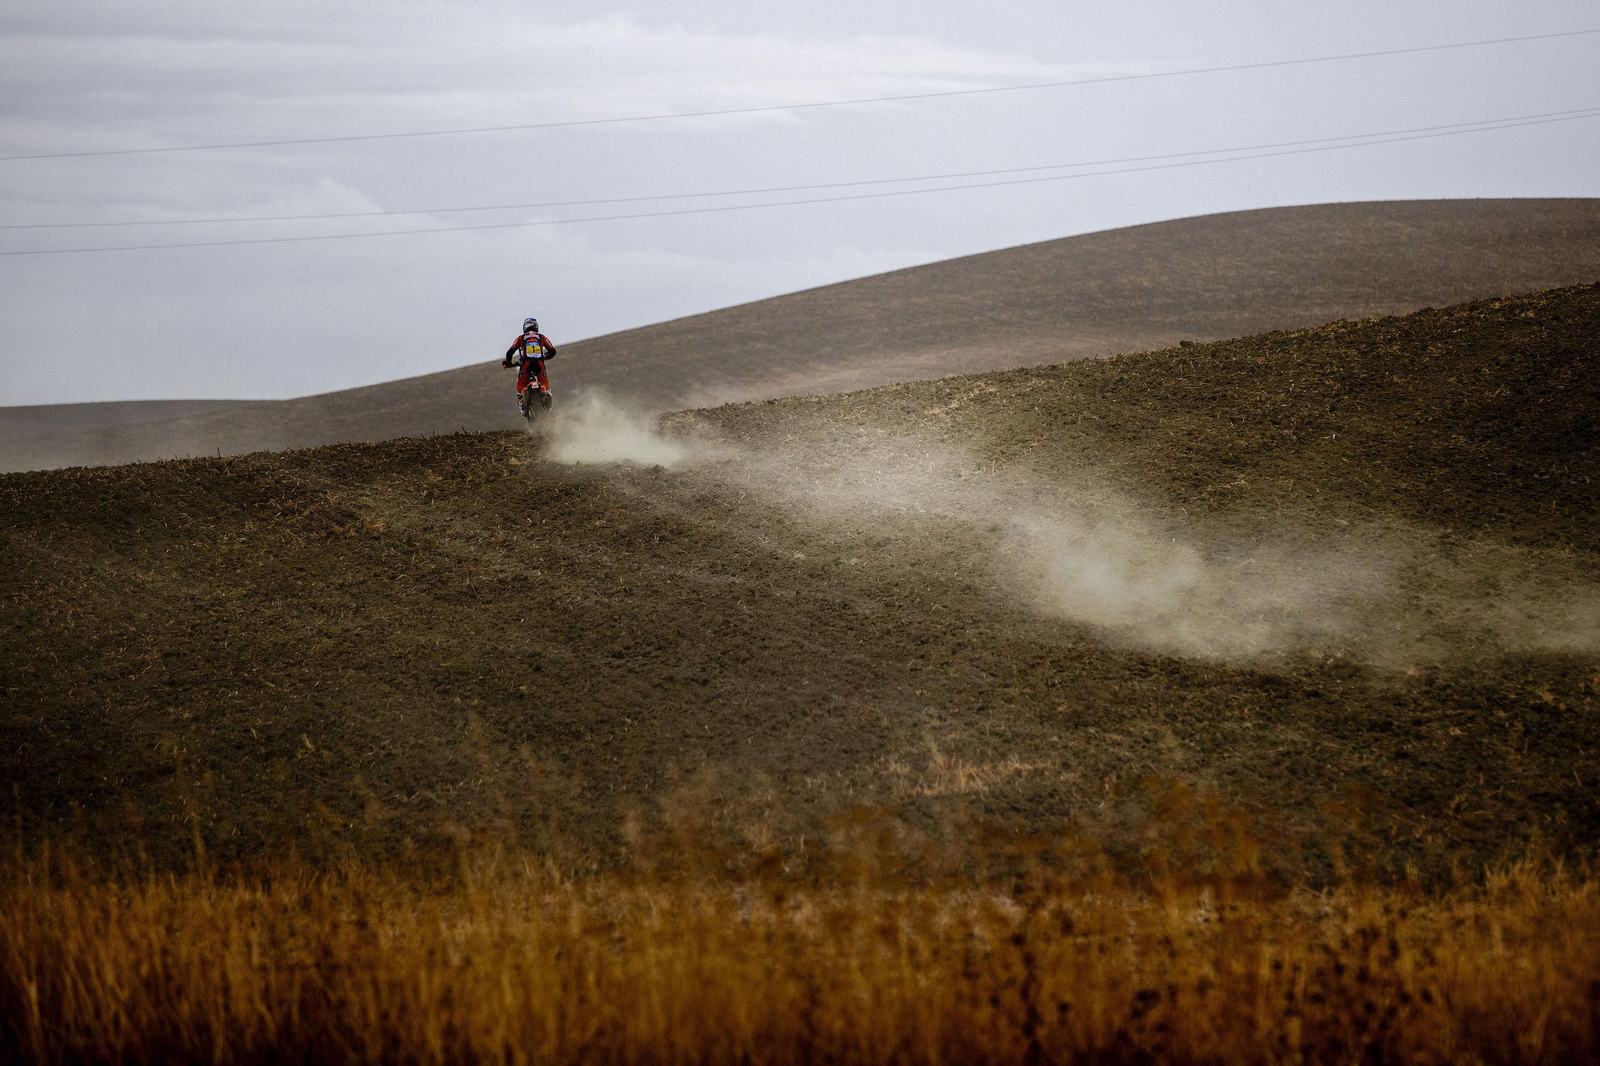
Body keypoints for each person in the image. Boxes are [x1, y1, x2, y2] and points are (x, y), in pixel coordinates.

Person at [503, 317, 558, 411]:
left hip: (526, 364)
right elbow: (552, 351)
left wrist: (508, 363)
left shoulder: (520, 338)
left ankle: (522, 403)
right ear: (536, 326)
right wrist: (545, 356)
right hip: (539, 364)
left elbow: (510, 352)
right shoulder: (541, 337)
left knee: (520, 387)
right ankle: (548, 404)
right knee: (547, 388)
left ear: (524, 327)